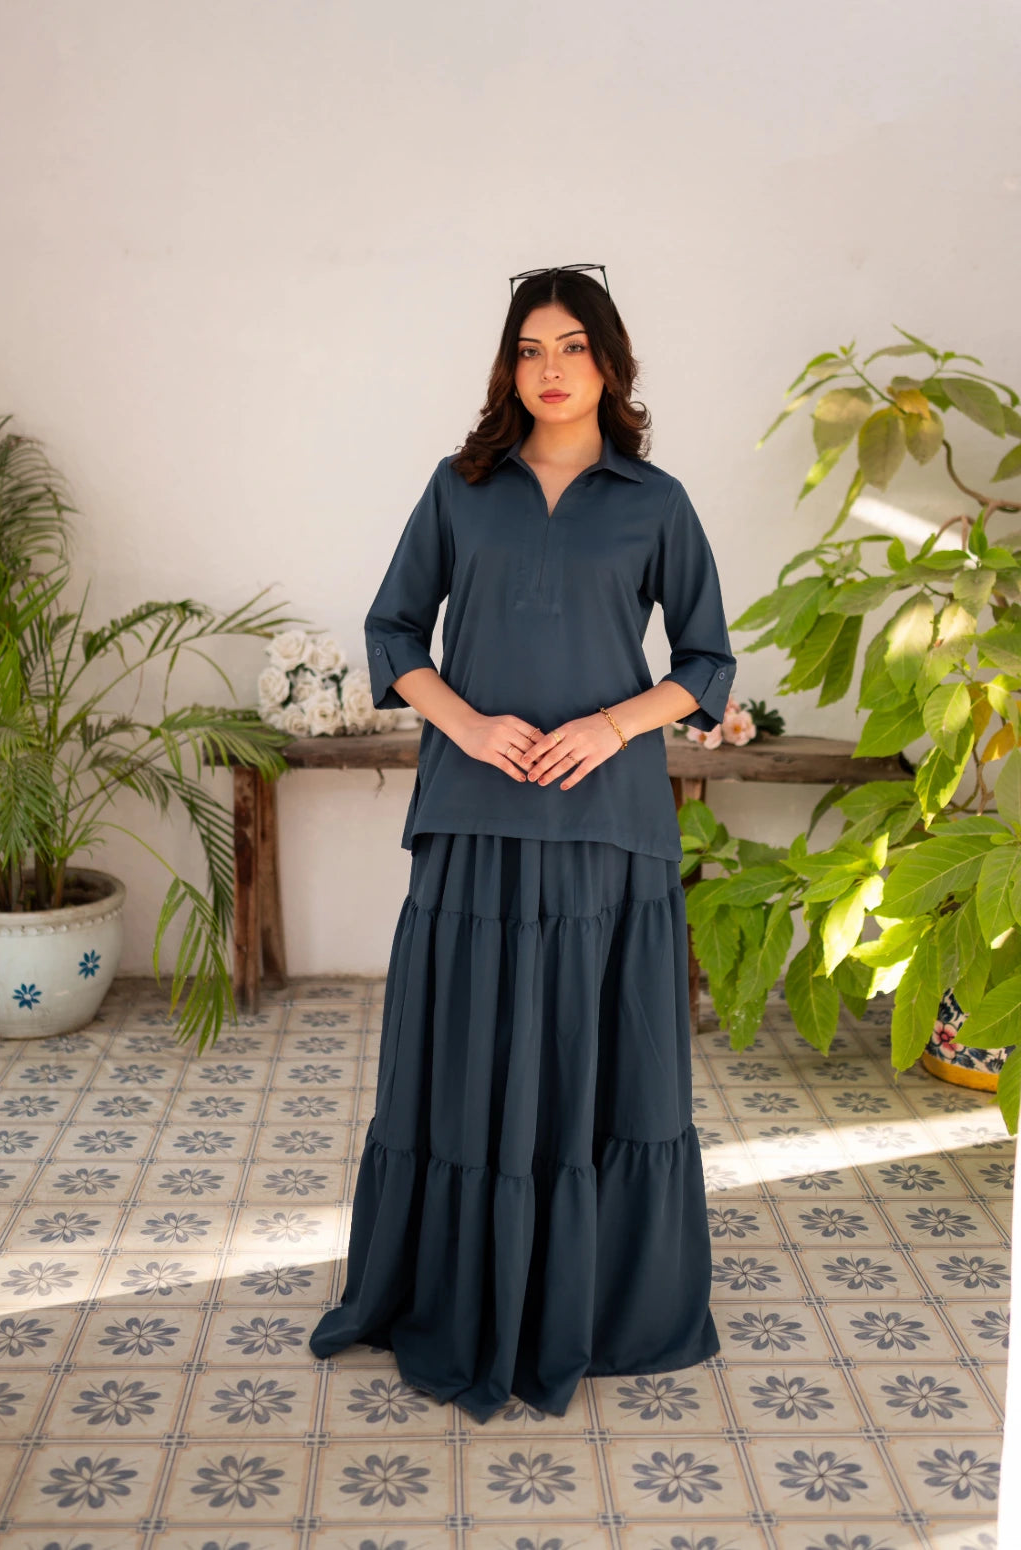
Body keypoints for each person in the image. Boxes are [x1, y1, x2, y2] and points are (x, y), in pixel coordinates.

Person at [307, 264, 737, 1425]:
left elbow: (706, 662)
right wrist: (468, 724)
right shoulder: (461, 489)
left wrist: (611, 725)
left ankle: (590, 1296)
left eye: (573, 347)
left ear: (610, 363)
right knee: (473, 1055)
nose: (551, 369)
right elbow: (394, 630)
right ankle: (460, 1285)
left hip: (606, 822)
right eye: (531, 349)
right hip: (475, 817)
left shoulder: (656, 500)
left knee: (593, 1053)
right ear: (509, 366)